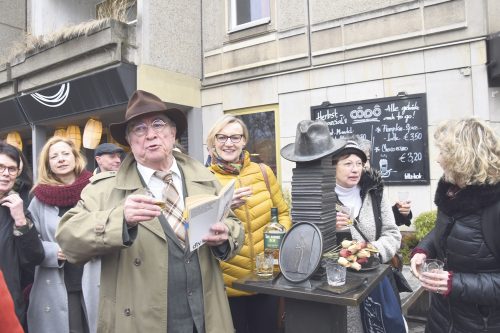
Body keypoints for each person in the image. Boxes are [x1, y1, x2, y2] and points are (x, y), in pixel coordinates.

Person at [56, 90, 244, 333]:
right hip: (140, 322)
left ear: (173, 132)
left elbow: (234, 225)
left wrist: (225, 235)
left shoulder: (205, 178)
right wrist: (119, 219)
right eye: (139, 129)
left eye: (158, 124)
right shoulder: (105, 189)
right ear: (129, 141)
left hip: (206, 317)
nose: (151, 135)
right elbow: (68, 239)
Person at [410, 118, 500, 332]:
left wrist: (454, 283)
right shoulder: (453, 192)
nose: (438, 160)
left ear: (463, 158)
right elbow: (444, 229)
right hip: (441, 318)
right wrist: (423, 249)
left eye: (444, 153)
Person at [206, 115, 291, 333]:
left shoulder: (263, 172)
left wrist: (279, 239)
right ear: (213, 141)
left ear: (244, 141)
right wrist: (225, 207)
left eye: (235, 137)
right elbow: (197, 228)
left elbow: (282, 212)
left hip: (267, 279)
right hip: (227, 285)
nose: (228, 143)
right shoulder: (204, 179)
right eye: (222, 137)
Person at [27, 137, 98, 333]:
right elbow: (31, 241)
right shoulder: (39, 198)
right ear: (48, 164)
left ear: (76, 158)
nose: (61, 159)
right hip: (59, 283)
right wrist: (53, 252)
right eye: (54, 156)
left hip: (95, 275)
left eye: (66, 154)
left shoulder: (95, 188)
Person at [333, 141, 404, 333]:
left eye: (359, 163)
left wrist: (371, 251)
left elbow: (392, 232)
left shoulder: (375, 191)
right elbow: (307, 240)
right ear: (333, 165)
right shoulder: (322, 197)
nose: (355, 169)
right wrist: (329, 228)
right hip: (339, 287)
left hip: (374, 281)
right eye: (347, 163)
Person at [0, 141, 44, 330]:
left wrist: (20, 219)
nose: (5, 173)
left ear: (18, 173)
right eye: (0, 167)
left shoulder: (18, 207)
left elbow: (34, 257)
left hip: (7, 302)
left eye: (11, 169)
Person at [356, 136, 412, 226]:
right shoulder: (331, 193)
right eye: (358, 161)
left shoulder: (374, 187)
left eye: (367, 159)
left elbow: (381, 221)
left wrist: (399, 212)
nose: (365, 165)